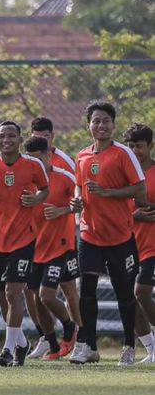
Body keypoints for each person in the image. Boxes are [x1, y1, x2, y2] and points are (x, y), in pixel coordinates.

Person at [68, 101, 146, 366]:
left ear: (113, 125)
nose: (100, 125)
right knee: (86, 291)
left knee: (125, 294)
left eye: (106, 121)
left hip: (121, 237)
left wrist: (108, 193)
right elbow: (79, 187)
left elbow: (140, 191)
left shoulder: (123, 154)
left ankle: (128, 346)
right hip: (89, 235)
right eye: (96, 121)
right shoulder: (81, 156)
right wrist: (76, 202)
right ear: (89, 124)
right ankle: (87, 345)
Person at [0, 121, 49, 367]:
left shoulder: (33, 165)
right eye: (2, 136)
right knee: (4, 297)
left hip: (24, 239)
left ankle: (7, 350)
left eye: (11, 135)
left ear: (19, 138)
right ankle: (22, 343)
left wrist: (36, 198)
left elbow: (45, 190)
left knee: (14, 294)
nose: (6, 140)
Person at [24, 136, 80, 361]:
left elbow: (79, 201)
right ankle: (53, 345)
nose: (35, 165)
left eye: (39, 159)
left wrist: (63, 210)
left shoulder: (64, 176)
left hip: (60, 247)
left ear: (48, 155)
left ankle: (71, 329)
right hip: (33, 248)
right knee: (36, 300)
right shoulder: (24, 180)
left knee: (48, 295)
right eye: (31, 160)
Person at [123, 123, 155, 364]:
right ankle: (150, 348)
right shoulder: (121, 175)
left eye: (139, 146)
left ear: (150, 146)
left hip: (151, 245)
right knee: (127, 297)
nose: (135, 150)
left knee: (141, 292)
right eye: (131, 146)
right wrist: (133, 215)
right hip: (126, 243)